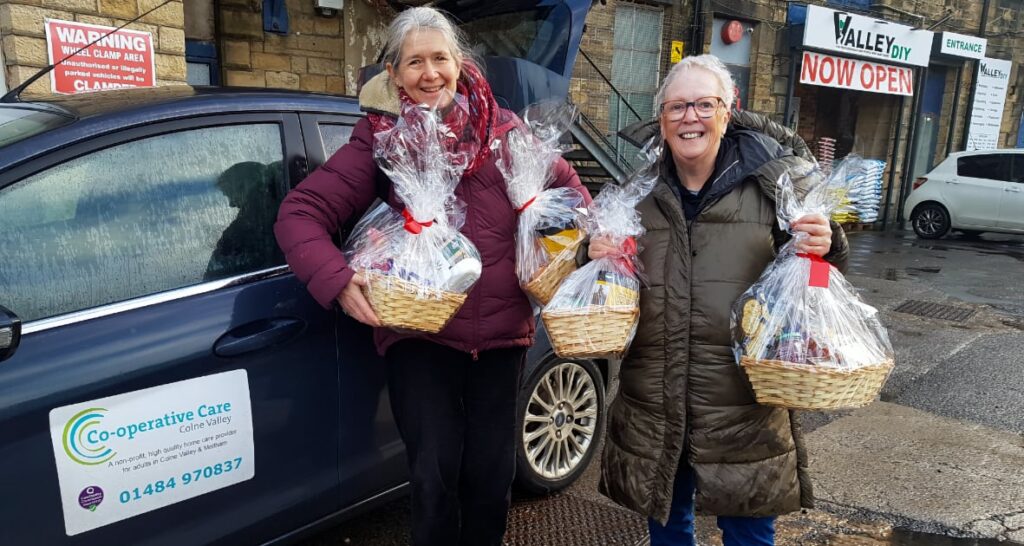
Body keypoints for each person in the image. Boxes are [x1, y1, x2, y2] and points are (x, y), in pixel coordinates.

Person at [273, 7, 590, 546]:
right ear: (393, 74)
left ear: (460, 63)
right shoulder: (380, 140)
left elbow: (572, 199)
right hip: (420, 339)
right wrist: (339, 283)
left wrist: (560, 240)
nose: (429, 73)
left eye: (439, 58)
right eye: (413, 61)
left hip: (502, 339)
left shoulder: (508, 135)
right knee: (433, 481)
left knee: (491, 482)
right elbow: (299, 214)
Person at [591, 55, 849, 546]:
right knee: (668, 528)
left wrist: (827, 245)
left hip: (743, 404)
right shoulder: (634, 193)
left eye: (704, 105)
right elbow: (607, 277)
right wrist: (593, 250)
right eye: (677, 107)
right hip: (656, 396)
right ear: (661, 119)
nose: (690, 117)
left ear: (728, 112)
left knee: (749, 533)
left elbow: (819, 283)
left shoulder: (777, 189)